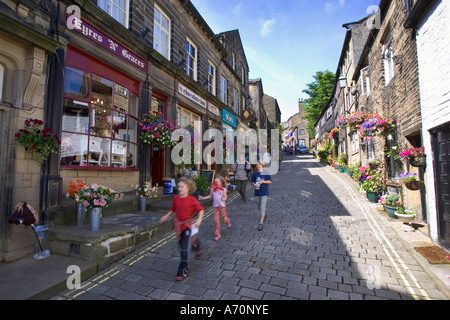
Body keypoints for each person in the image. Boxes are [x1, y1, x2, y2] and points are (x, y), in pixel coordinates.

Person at [160, 177, 204, 281]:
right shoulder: (176, 198)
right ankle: (197, 246)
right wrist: (166, 216)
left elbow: (201, 210)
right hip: (178, 226)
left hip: (188, 226)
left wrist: (199, 220)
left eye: (182, 186)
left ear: (188, 188)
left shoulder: (192, 199)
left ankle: (181, 270)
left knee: (184, 249)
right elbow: (172, 209)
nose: (179, 188)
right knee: (182, 248)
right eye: (178, 186)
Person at [199, 177, 231, 241]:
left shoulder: (223, 189)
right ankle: (218, 234)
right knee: (216, 221)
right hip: (215, 206)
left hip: (222, 206)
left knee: (224, 219)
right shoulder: (213, 188)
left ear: (221, 182)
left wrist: (223, 199)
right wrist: (202, 198)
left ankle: (227, 221)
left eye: (217, 181)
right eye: (215, 181)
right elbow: (210, 196)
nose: (215, 182)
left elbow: (225, 197)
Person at [251, 161, 272, 231]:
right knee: (259, 206)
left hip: (264, 193)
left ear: (262, 165)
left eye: (259, 164)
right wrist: (254, 185)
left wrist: (263, 181)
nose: (258, 166)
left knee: (262, 207)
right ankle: (263, 215)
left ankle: (261, 223)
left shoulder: (266, 173)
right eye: (257, 165)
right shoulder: (254, 174)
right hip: (257, 193)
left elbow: (270, 181)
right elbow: (252, 182)